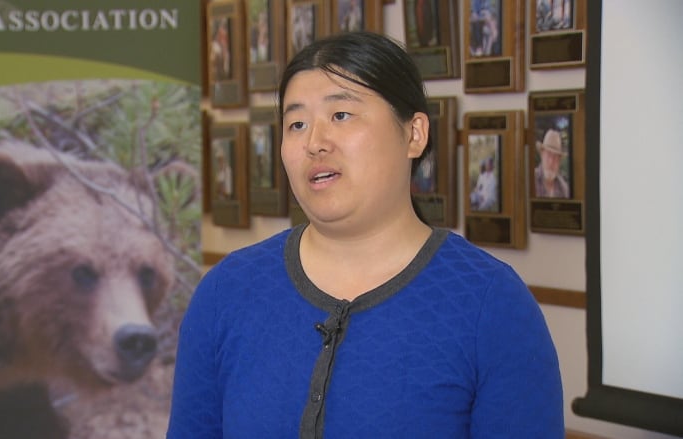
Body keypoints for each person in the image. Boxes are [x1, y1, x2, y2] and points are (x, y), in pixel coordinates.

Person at [167, 31, 563, 438]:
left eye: (341, 115)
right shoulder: (226, 292)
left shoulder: (491, 304)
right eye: (296, 123)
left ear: (414, 134)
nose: (315, 143)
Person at [534, 128, 571, 198]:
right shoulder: (530, 181)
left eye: (555, 157)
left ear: (559, 161)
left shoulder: (564, 188)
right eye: (548, 155)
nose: (551, 161)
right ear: (542, 154)